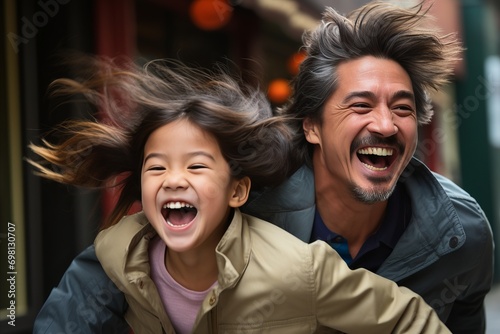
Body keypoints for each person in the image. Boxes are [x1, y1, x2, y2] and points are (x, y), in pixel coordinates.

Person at [33, 1, 494, 333]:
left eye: (403, 108)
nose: (386, 124)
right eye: (360, 105)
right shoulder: (250, 192)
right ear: (311, 126)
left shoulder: (461, 231)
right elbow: (109, 275)